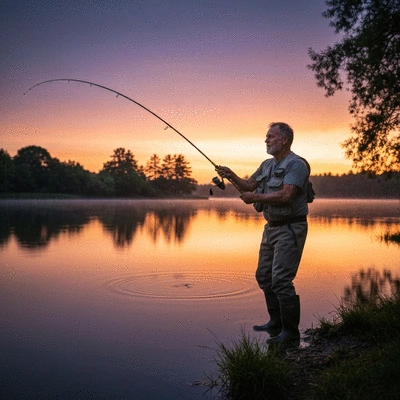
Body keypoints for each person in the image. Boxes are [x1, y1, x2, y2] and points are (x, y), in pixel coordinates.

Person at [216, 122, 309, 348]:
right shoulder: (267, 165)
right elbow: (249, 185)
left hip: (291, 228)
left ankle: (290, 333)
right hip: (271, 228)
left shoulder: (297, 164)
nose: (266, 140)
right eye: (266, 137)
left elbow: (287, 195)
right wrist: (231, 176)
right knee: (264, 277)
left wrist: (256, 198)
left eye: (271, 137)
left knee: (281, 280)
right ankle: (275, 322)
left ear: (284, 140)